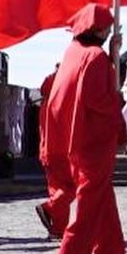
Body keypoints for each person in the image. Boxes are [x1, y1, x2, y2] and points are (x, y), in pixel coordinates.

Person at [47, 3, 127, 254]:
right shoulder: (96, 58)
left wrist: (112, 56)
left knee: (104, 212)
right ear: (100, 29)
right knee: (87, 213)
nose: (110, 30)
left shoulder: (74, 52)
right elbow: (99, 101)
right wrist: (117, 97)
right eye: (107, 27)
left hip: (77, 143)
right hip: (94, 146)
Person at [36, 59, 75, 242]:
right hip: (62, 150)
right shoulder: (64, 101)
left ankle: (57, 229)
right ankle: (49, 208)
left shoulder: (45, 103)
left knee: (57, 189)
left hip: (47, 151)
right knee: (72, 187)